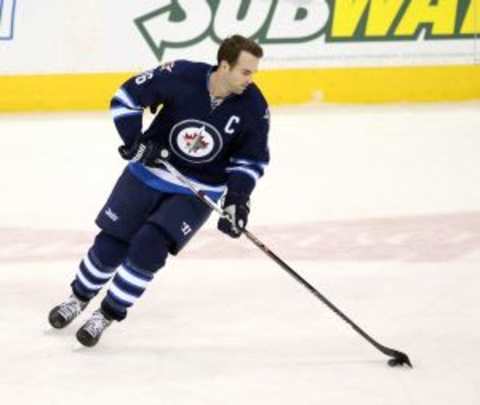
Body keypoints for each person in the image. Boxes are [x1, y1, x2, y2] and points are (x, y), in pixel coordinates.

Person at [48, 34, 270, 347]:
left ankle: (107, 314)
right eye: (246, 72)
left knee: (149, 248)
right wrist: (135, 142)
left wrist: (237, 201)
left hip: (198, 191)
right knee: (111, 243)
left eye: (254, 73)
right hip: (148, 172)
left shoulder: (254, 107)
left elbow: (249, 161)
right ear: (224, 65)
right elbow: (126, 97)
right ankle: (78, 298)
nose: (251, 79)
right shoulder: (180, 75)